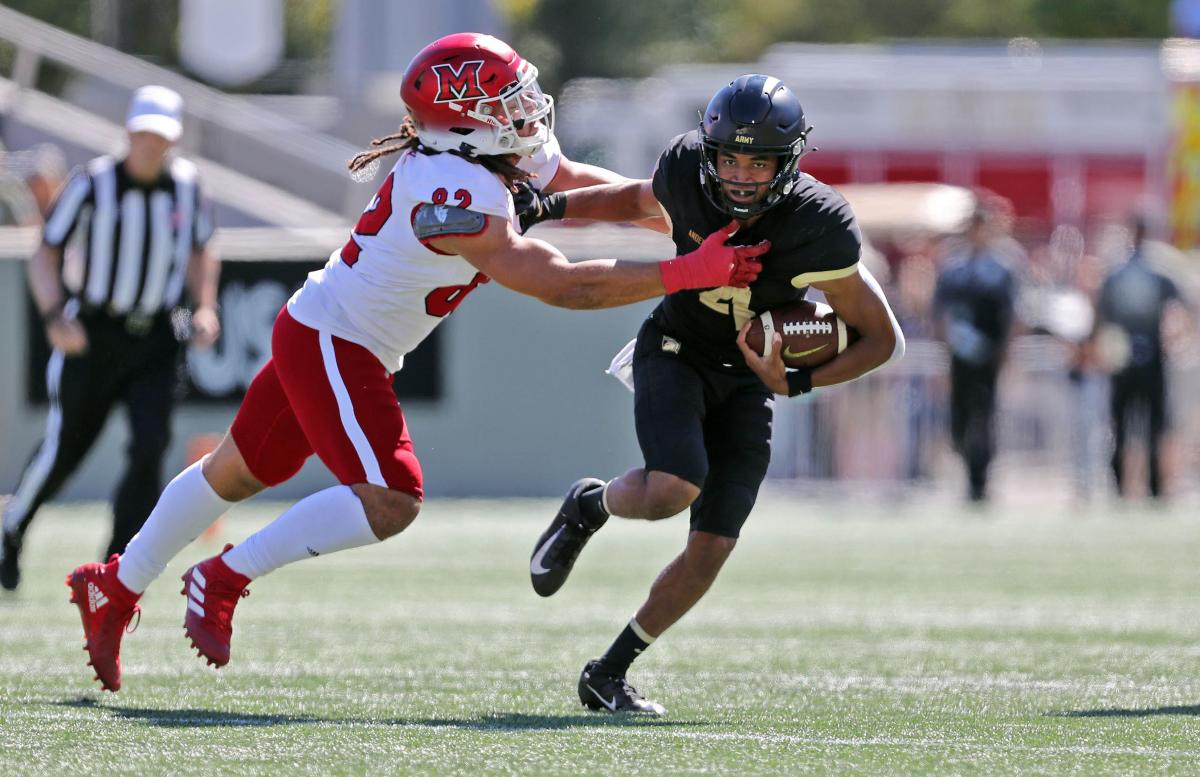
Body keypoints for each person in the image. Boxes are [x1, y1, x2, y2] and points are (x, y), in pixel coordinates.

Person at [64, 33, 768, 692]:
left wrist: (670, 207)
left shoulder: (484, 156)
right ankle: (224, 574)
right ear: (462, 121)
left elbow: (580, 189)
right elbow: (564, 283)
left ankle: (115, 583)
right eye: (506, 104)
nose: (526, 113)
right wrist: (685, 270)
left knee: (238, 469)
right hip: (338, 341)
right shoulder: (449, 188)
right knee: (391, 497)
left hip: (329, 329)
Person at [522, 74, 905, 714]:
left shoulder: (819, 226)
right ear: (710, 151)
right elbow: (640, 200)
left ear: (789, 161)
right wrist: (552, 207)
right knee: (671, 489)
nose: (741, 174)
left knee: (711, 548)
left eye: (759, 161)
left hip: (748, 380)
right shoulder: (685, 171)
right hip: (677, 347)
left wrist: (798, 379)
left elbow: (881, 338)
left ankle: (607, 674)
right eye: (730, 156)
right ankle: (593, 504)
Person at [1, 86, 221, 591]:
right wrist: (55, 315)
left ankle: (115, 567)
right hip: (95, 332)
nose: (150, 146)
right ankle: (12, 528)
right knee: (65, 450)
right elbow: (45, 252)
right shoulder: (91, 183)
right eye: (143, 135)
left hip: (161, 334)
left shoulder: (187, 186)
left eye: (160, 137)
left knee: (151, 446)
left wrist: (204, 306)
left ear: (174, 140)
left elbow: (203, 249)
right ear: (129, 132)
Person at [1093, 213, 1188, 498]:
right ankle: (1128, 485)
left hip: (1146, 354)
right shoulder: (1130, 269)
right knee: (1127, 423)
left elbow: (1179, 309)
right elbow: (1102, 313)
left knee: (1145, 423)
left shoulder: (1148, 269)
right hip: (1126, 354)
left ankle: (1149, 485)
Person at [931, 198, 1020, 503]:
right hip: (960, 356)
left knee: (984, 417)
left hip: (988, 356)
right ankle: (967, 466)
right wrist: (946, 347)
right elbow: (940, 312)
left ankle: (979, 481)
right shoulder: (954, 267)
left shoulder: (1002, 268)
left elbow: (1011, 315)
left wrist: (1006, 352)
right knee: (960, 418)